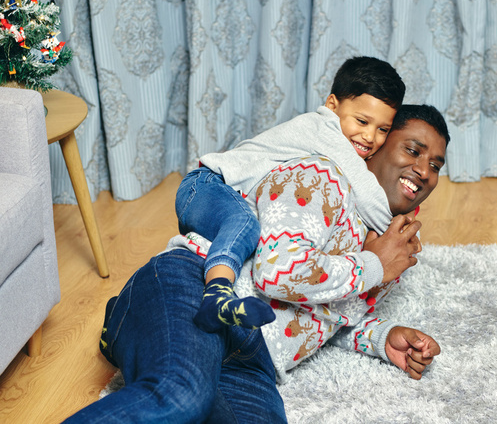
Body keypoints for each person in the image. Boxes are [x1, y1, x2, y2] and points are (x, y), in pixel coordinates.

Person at [64, 105, 449, 424]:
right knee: (181, 398)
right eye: (413, 151)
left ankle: (131, 331)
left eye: (435, 164)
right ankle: (131, 318)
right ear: (374, 147)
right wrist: (373, 266)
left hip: (252, 360)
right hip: (197, 292)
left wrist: (383, 337)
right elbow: (277, 274)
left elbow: (327, 314)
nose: (424, 171)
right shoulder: (318, 177)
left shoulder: (390, 245)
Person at [176, 57, 405, 332]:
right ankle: (216, 298)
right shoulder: (323, 128)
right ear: (332, 106)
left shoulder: (339, 136)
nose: (370, 137)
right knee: (245, 227)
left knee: (248, 241)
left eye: (383, 130)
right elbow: (365, 190)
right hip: (208, 184)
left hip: (224, 197)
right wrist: (396, 233)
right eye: (362, 121)